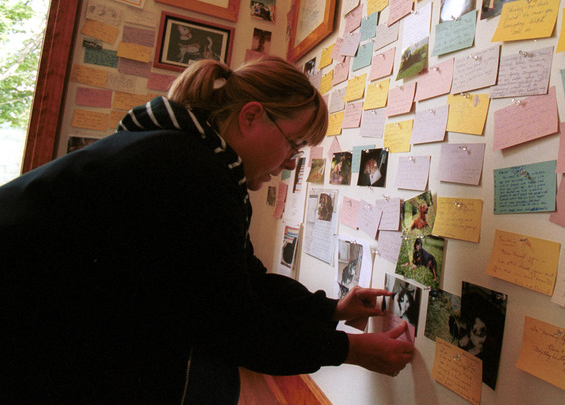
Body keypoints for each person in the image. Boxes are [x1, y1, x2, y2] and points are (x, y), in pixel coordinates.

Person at [0, 56, 413, 404]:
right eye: (294, 144)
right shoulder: (190, 172)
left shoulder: (184, 154)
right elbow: (234, 325)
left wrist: (332, 310)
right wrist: (351, 349)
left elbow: (243, 279)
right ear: (252, 116)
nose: (291, 164)